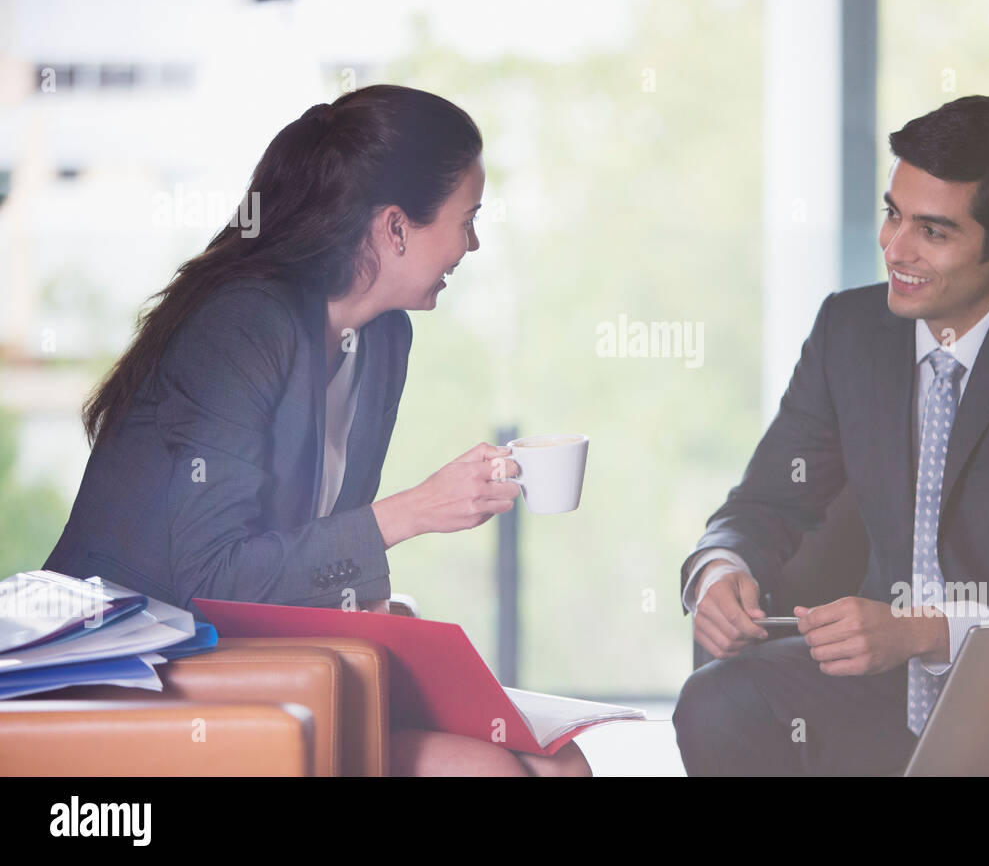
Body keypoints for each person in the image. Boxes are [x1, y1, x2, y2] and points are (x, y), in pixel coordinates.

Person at [44, 84, 589, 776]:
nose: (472, 243)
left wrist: (393, 630)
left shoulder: (384, 340)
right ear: (396, 227)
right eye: (466, 218)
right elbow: (214, 576)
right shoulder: (244, 324)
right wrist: (414, 513)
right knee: (494, 773)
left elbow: (320, 547)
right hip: (138, 664)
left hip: (255, 657)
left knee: (562, 764)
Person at [672, 95, 989, 776]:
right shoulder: (850, 331)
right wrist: (721, 571)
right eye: (893, 213)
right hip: (879, 690)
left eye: (932, 231)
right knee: (716, 699)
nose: (894, 248)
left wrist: (920, 632)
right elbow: (765, 503)